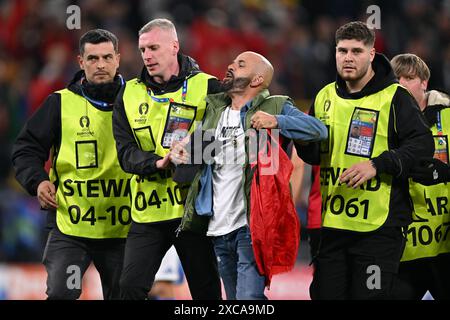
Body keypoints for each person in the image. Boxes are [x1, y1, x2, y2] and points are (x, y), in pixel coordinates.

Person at [171, 51, 328, 300]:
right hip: (218, 226)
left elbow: (318, 130)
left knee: (248, 299)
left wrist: (276, 121)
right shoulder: (216, 109)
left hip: (254, 225)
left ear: (256, 80)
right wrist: (183, 152)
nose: (231, 66)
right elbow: (202, 158)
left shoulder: (274, 105)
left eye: (240, 64)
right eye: (232, 61)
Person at [296, 21, 434, 299]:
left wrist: (377, 164)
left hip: (379, 231)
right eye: (342, 50)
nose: (348, 58)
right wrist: (297, 134)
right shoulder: (324, 97)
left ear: (371, 55)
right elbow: (314, 155)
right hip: (333, 225)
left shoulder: (394, 97)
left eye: (356, 51)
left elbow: (422, 145)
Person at [12, 29, 130, 299]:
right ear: (80, 62)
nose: (100, 65)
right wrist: (38, 181)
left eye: (106, 57)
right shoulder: (60, 103)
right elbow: (26, 148)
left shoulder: (137, 101)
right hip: (71, 227)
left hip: (123, 228)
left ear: (118, 59)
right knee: (62, 293)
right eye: (92, 58)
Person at [112, 18, 221, 300]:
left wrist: (193, 149)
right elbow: (124, 153)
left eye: (154, 48)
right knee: (129, 287)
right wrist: (158, 162)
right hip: (148, 211)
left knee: (206, 291)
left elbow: (224, 139)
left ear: (174, 46)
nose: (147, 56)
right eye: (143, 49)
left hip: (192, 212)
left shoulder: (208, 86)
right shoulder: (128, 93)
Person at [390, 53, 450, 299]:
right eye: (397, 79)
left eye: (409, 78)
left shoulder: (447, 115)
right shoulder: (385, 120)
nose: (402, 85)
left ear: (424, 82)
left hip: (444, 244)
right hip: (405, 248)